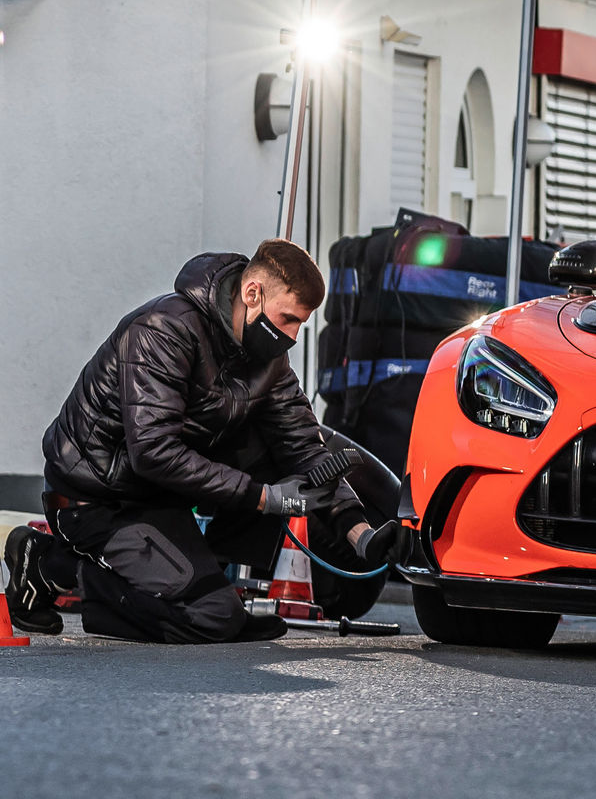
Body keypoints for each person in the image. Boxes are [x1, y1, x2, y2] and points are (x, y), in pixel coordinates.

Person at [4, 240, 398, 642]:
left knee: (274, 446)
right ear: (252, 293)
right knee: (210, 618)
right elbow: (154, 453)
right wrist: (264, 497)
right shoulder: (163, 330)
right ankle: (47, 565)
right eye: (288, 319)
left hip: (160, 495)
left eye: (301, 324)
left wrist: (362, 536)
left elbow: (304, 444)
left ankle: (213, 582)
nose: (293, 337)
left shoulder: (270, 357)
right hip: (97, 497)